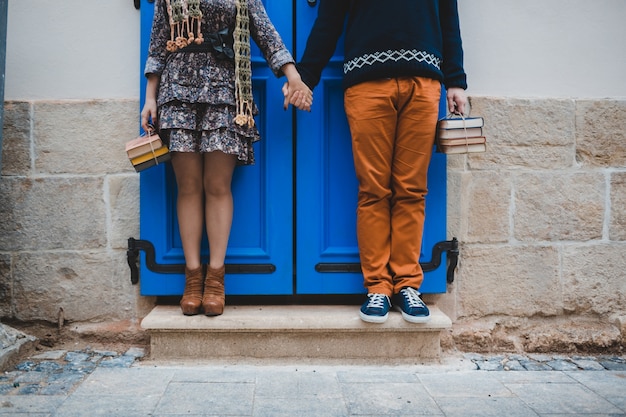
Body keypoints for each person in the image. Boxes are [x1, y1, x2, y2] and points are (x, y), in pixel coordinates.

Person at [284, 0, 468, 323]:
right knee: (374, 190)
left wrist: (455, 80)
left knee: (412, 190)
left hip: (423, 83)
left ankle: (408, 284)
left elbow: (447, 15)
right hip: (367, 83)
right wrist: (305, 77)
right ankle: (378, 288)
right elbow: (330, 17)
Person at [141, 0, 312, 317]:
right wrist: (150, 98)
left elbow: (265, 32)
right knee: (188, 186)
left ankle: (216, 278)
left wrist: (293, 75)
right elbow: (159, 43)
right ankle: (193, 278)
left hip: (225, 91)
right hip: (176, 92)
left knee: (217, 185)